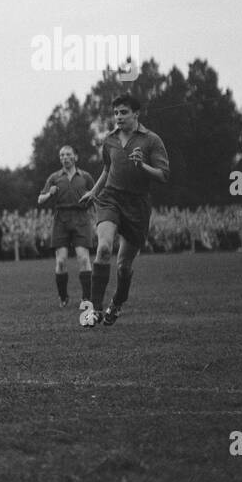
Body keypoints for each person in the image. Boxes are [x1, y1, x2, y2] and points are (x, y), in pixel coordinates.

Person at [78, 94, 170, 327]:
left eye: (123, 112)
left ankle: (117, 303)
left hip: (137, 205)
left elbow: (163, 175)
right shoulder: (109, 140)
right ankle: (94, 310)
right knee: (104, 247)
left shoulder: (152, 141)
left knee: (124, 266)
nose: (118, 117)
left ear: (136, 114)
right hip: (110, 199)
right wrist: (94, 192)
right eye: (116, 113)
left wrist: (142, 166)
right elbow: (107, 169)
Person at [37, 145, 96, 307]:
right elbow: (40, 199)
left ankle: (86, 298)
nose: (65, 157)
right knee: (61, 261)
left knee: (83, 258)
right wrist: (50, 193)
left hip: (81, 218)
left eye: (68, 154)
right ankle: (63, 297)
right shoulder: (55, 177)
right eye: (62, 155)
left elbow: (97, 195)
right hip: (61, 219)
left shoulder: (85, 177)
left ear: (75, 157)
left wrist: (94, 204)